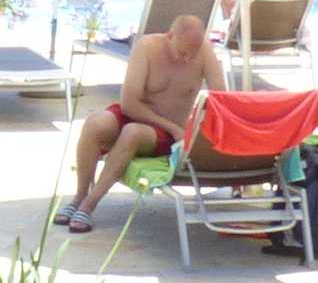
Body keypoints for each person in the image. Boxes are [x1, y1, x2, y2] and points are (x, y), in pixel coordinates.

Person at [59, 13, 223, 232]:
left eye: (192, 54)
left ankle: (89, 205)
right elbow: (129, 104)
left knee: (133, 133)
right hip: (146, 118)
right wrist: (174, 128)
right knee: (94, 123)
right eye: (182, 52)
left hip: (164, 134)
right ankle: (79, 196)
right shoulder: (147, 47)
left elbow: (222, 100)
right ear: (170, 36)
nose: (187, 59)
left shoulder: (205, 53)